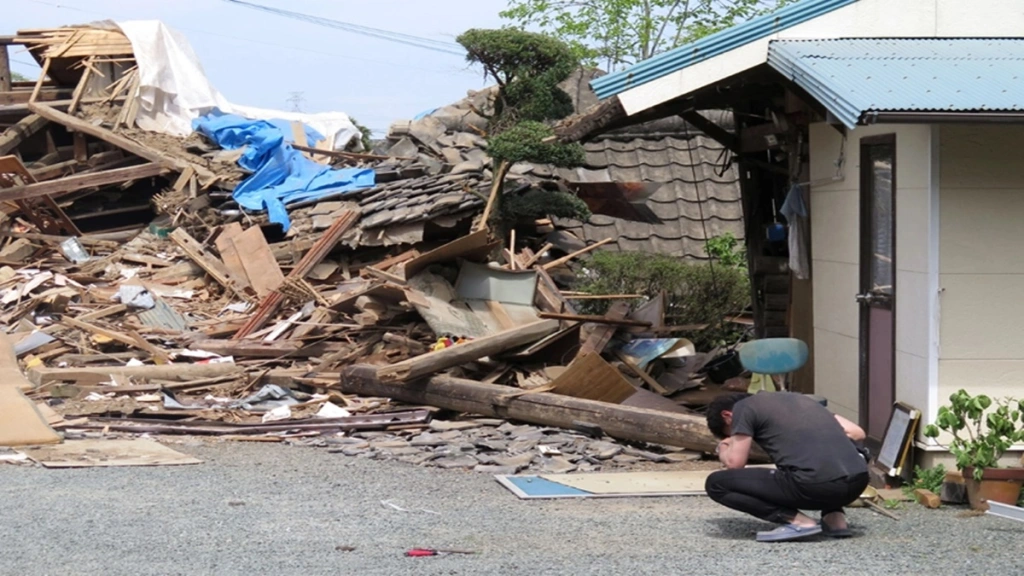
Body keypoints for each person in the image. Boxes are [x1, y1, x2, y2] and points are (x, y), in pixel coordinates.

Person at [704, 391, 870, 542]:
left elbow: (735, 463)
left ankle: (799, 522)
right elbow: (856, 432)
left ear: (727, 416)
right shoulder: (801, 400)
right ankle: (835, 520)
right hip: (858, 483)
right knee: (819, 457)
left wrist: (724, 446)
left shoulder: (742, 408)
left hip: (816, 487)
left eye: (732, 432)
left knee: (716, 483)